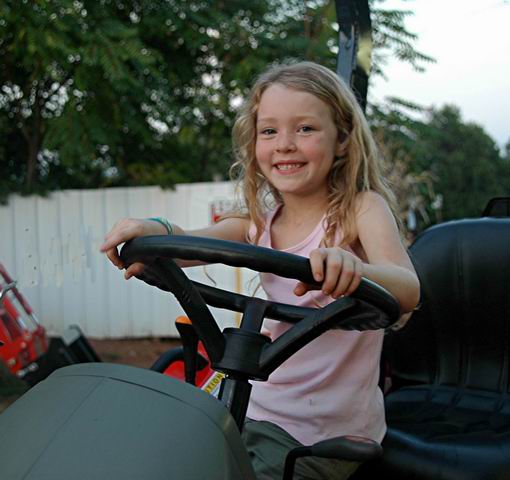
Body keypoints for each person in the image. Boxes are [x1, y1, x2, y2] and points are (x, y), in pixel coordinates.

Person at [100, 61, 420, 480]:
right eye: (269, 131)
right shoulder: (258, 223)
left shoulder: (361, 210)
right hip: (251, 403)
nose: (284, 144)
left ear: (342, 139)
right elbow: (189, 242)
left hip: (322, 430)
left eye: (305, 128)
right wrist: (152, 230)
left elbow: (407, 287)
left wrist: (357, 269)